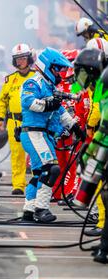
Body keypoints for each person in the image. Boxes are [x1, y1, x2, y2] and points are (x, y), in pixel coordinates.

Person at [20, 47, 85, 223]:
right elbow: (28, 102)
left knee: (39, 172)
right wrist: (49, 103)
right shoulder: (34, 83)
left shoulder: (49, 86)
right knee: (51, 169)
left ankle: (29, 208)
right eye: (57, 69)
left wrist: (75, 127)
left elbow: (61, 111)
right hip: (34, 133)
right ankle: (42, 209)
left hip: (43, 134)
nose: (60, 73)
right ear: (48, 66)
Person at [73, 56, 108, 263]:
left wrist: (88, 153)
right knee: (105, 195)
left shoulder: (105, 82)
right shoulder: (99, 85)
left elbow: (105, 127)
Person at [0, 44, 36, 196]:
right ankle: (18, 185)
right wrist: (0, 117)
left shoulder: (37, 77)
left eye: (23, 58)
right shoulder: (9, 80)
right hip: (13, 122)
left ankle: (36, 183)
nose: (20, 62)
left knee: (34, 153)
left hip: (32, 120)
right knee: (16, 154)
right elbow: (2, 101)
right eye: (17, 59)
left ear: (29, 59)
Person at [52, 49, 90, 205]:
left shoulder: (82, 86)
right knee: (60, 163)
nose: (64, 70)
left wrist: (72, 127)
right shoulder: (57, 83)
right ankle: (58, 192)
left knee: (75, 163)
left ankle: (71, 192)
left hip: (77, 131)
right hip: (61, 129)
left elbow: (81, 111)